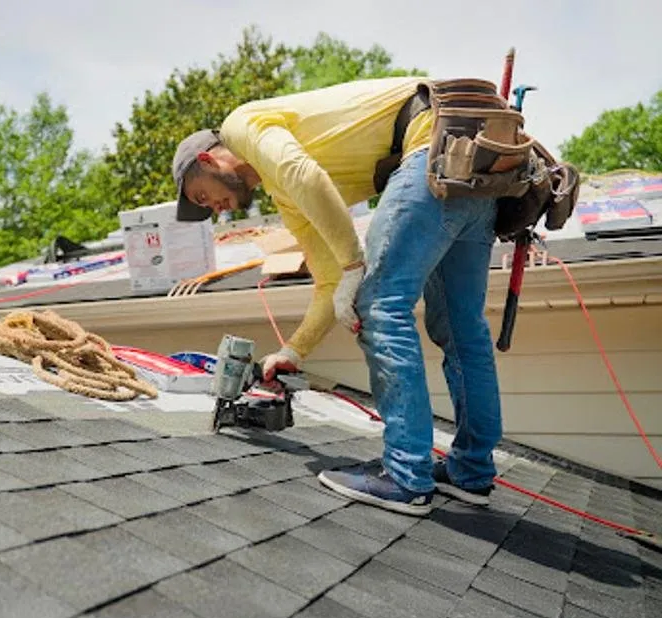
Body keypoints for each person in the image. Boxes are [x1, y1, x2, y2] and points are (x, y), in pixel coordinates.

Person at [172, 76, 502, 516]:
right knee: (461, 328)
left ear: (207, 158)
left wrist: (353, 265)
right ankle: (471, 472)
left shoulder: (240, 125)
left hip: (431, 149)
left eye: (203, 196)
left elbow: (304, 174)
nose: (216, 209)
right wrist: (294, 350)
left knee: (380, 306)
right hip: (473, 167)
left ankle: (406, 476)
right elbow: (329, 281)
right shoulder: (286, 198)